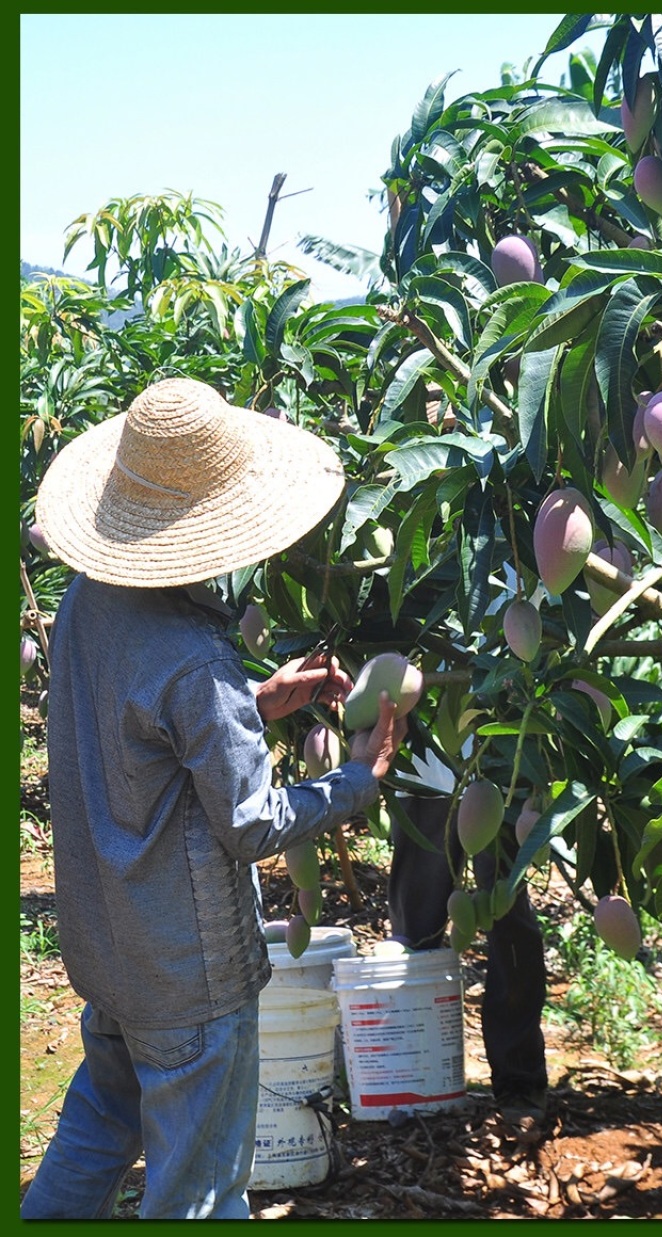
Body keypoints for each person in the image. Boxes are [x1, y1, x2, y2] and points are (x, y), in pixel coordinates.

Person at [20, 376, 408, 1221]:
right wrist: (356, 782)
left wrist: (256, 702)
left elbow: (137, 729)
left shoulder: (89, 600)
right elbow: (250, 822)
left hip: (112, 956)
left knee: (98, 1128)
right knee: (199, 1193)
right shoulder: (195, 658)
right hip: (186, 978)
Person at [386, 794, 548, 1129]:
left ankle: (520, 1083)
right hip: (425, 775)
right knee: (414, 930)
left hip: (501, 775)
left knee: (511, 926)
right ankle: (410, 1080)